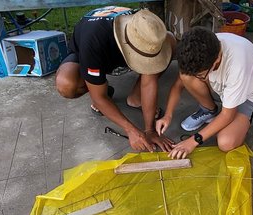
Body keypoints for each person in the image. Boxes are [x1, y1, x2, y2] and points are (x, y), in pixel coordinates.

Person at [55, 6, 176, 152]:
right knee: (67, 84)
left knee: (170, 41)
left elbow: (149, 83)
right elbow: (98, 98)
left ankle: (136, 97)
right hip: (94, 51)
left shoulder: (145, 27)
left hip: (117, 45)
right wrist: (131, 130)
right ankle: (101, 86)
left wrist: (150, 130)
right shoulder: (93, 42)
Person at [156, 27, 253, 159]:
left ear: (217, 59)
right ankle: (209, 110)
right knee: (186, 76)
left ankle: (242, 118)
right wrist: (167, 115)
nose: (200, 77)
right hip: (222, 88)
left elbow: (227, 115)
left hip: (246, 96)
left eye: (201, 75)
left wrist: (193, 141)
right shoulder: (201, 48)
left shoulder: (237, 65)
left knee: (226, 142)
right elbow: (178, 85)